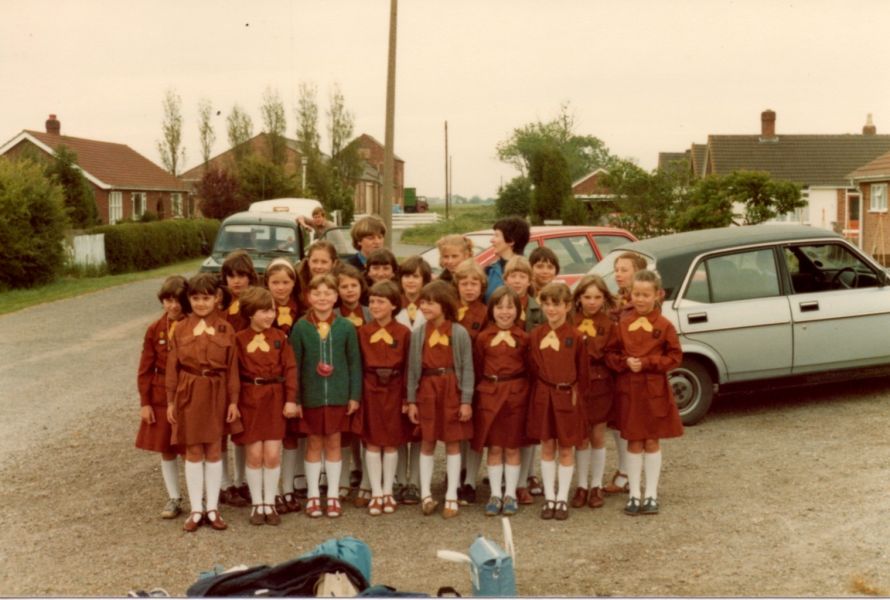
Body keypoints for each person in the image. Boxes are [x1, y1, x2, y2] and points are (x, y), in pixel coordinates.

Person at [165, 273, 241, 532]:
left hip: (217, 392)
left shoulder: (226, 328)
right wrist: (170, 401)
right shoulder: (180, 329)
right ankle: (196, 509)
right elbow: (172, 367)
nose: (200, 303)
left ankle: (213, 508)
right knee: (193, 450)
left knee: (214, 449)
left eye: (206, 298)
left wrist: (233, 401)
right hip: (189, 391)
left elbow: (232, 369)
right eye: (195, 298)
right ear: (188, 299)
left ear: (216, 298)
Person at [607, 270, 683, 516]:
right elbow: (610, 354)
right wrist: (624, 362)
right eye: (636, 294)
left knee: (651, 440)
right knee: (633, 440)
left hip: (654, 390)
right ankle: (634, 494)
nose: (640, 299)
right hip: (629, 389)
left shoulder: (664, 325)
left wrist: (649, 362)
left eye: (645, 295)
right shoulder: (622, 324)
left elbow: (675, 357)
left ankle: (651, 494)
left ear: (657, 295)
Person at [289, 273, 362, 518]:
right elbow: (294, 366)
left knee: (334, 442)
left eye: (328, 293)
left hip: (339, 395)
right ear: (308, 297)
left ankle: (332, 495)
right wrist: (296, 399)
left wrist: (354, 396)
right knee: (313, 443)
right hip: (311, 396)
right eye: (317, 293)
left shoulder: (346, 327)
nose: (322, 298)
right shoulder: (301, 327)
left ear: (336, 297)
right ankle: (312, 495)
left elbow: (354, 363)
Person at [406, 280, 474, 518]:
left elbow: (467, 368)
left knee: (453, 442)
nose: (424, 307)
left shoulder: (459, 332)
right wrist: (411, 400)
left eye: (430, 303)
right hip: (427, 389)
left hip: (451, 389)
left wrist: (466, 400)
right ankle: (426, 494)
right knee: (427, 440)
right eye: (423, 302)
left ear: (444, 305)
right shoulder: (418, 334)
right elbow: (412, 370)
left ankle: (452, 494)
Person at [233, 287, 298, 526]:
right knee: (254, 454)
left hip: (274, 399)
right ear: (250, 313)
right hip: (250, 399)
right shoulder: (239, 339)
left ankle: (270, 502)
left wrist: (290, 399)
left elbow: (290, 370)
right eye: (264, 311)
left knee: (271, 454)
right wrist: (234, 402)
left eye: (272, 310)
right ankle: (257, 503)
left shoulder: (280, 337)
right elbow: (233, 374)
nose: (270, 315)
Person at [527, 282, 586, 521]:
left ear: (567, 306)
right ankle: (549, 497)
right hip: (544, 395)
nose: (551, 309)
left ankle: (562, 497)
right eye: (547, 304)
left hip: (567, 397)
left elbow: (583, 373)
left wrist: (575, 396)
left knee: (566, 447)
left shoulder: (576, 336)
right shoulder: (535, 335)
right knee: (547, 446)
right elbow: (532, 368)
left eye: (557, 304)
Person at [471, 287, 530, 517]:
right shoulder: (483, 338)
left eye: (510, 307)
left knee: (513, 446)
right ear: (491, 310)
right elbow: (478, 367)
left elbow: (530, 368)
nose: (505, 312)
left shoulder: (524, 338)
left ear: (518, 310)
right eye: (499, 307)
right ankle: (495, 494)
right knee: (495, 447)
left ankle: (510, 494)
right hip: (490, 393)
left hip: (516, 395)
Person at [135, 275, 188, 520]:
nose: (173, 306)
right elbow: (145, 368)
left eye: (178, 300)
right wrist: (145, 402)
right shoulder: (155, 329)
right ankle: (174, 496)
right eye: (168, 300)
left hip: (187, 390)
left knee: (189, 447)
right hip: (160, 394)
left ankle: (200, 496)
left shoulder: (194, 325)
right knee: (166, 448)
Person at [358, 281, 412, 516]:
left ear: (393, 305)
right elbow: (358, 365)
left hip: (395, 388)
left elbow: (409, 366)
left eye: (381, 301)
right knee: (372, 440)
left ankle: (388, 490)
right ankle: (376, 492)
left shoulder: (404, 333)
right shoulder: (363, 332)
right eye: (372, 301)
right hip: (370, 388)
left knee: (391, 441)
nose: (375, 306)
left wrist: (408, 397)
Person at [571, 275, 617, 510]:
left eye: (597, 297)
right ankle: (581, 485)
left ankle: (596, 485)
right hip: (576, 383)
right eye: (587, 297)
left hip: (600, 383)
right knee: (580, 437)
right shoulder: (570, 320)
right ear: (578, 298)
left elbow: (612, 353)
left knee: (598, 435)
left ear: (604, 299)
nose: (592, 302)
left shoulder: (609, 324)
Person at [604, 251, 648, 496]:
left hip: (634, 370)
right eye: (616, 270)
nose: (618, 275)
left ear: (637, 273)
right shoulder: (615, 301)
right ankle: (625, 470)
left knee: (635, 424)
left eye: (624, 270)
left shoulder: (641, 305)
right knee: (618, 422)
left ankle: (632, 474)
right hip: (617, 367)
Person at [219, 250, 259, 508]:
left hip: (247, 373)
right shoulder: (220, 305)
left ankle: (241, 479)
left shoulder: (255, 302)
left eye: (242, 275)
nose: (236, 281)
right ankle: (224, 484)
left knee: (244, 429)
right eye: (231, 276)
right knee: (221, 430)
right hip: (223, 373)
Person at [503, 255, 545, 501]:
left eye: (522, 276)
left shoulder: (537, 309)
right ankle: (507, 477)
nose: (517, 281)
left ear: (530, 281)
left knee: (528, 430)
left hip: (529, 374)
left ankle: (524, 479)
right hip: (507, 373)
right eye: (513, 276)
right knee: (508, 430)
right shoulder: (499, 305)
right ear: (505, 279)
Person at [393, 255, 432, 505]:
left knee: (419, 429)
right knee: (398, 429)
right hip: (396, 376)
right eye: (406, 276)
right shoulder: (392, 303)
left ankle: (415, 482)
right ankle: (398, 479)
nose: (410, 281)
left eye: (416, 276)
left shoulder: (430, 307)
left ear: (425, 280)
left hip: (421, 376)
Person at [452, 258, 488, 505]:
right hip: (453, 376)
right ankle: (456, 473)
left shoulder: (484, 312)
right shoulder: (450, 309)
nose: (469, 288)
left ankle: (470, 480)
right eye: (464, 283)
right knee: (456, 428)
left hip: (476, 376)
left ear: (481, 286)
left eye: (474, 283)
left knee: (474, 429)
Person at [484, 216, 530, 301]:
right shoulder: (489, 271)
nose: (492, 240)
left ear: (511, 241)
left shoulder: (530, 270)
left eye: (497, 235)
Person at [296, 241, 340, 308]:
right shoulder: (297, 285)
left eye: (324, 262)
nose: (319, 266)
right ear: (308, 261)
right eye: (314, 261)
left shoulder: (341, 284)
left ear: (334, 263)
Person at [265, 258, 301, 336]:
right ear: (267, 283)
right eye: (275, 283)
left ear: (294, 282)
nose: (280, 287)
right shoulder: (260, 309)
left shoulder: (302, 309)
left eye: (286, 282)